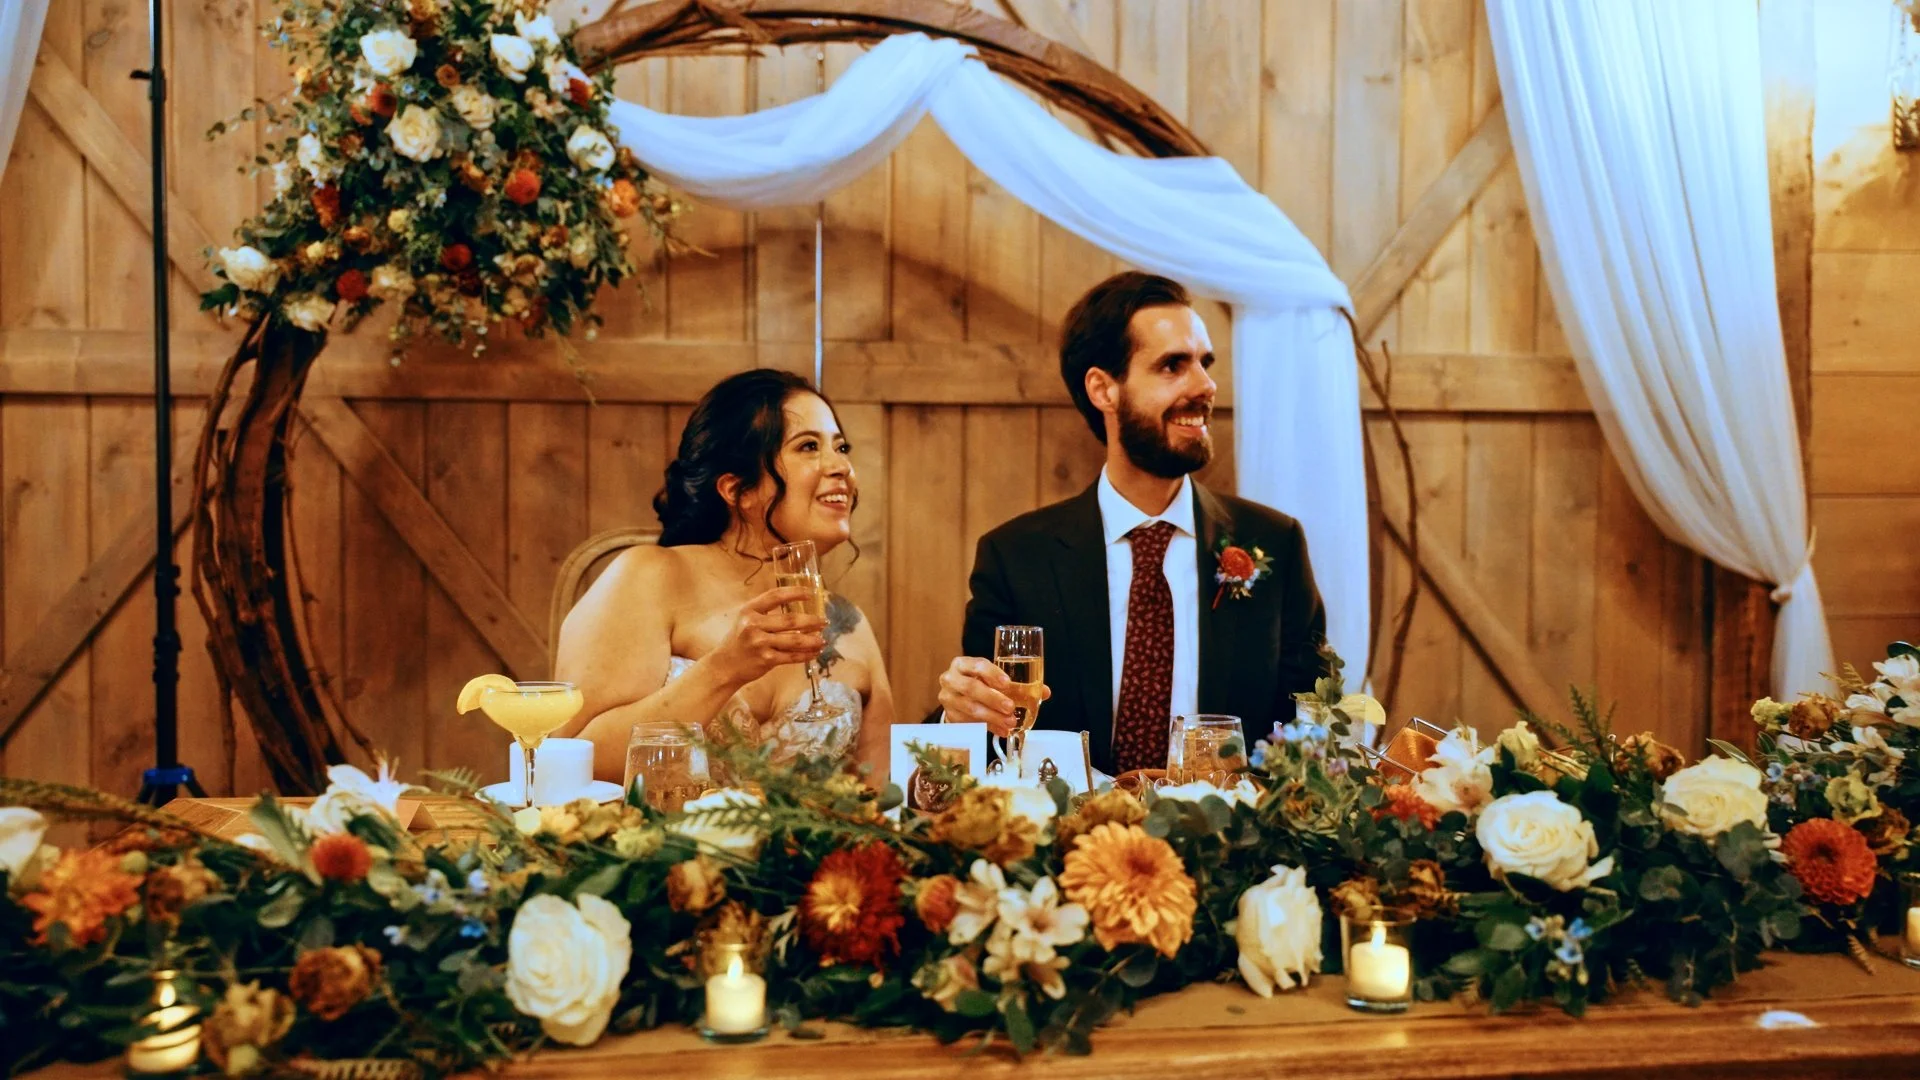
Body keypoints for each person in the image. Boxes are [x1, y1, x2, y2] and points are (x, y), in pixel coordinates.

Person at [937, 272, 1328, 777]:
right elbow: (991, 743)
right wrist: (959, 712)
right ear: (1104, 389)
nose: (1205, 386)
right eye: (1173, 366)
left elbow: (1310, 733)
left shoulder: (1275, 545)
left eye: (1204, 364)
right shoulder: (1017, 558)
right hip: (1071, 846)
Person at [556, 369, 894, 782]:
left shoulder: (852, 624)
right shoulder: (650, 576)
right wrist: (723, 670)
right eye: (809, 446)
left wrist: (955, 722)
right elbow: (569, 762)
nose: (841, 466)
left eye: (841, 447)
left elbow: (885, 795)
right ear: (737, 490)